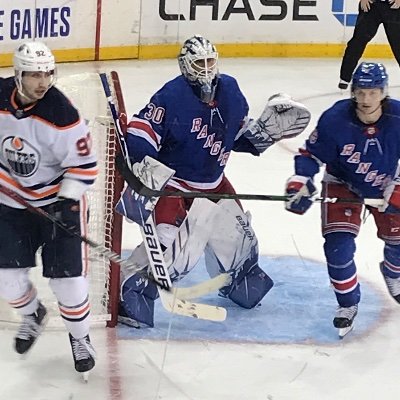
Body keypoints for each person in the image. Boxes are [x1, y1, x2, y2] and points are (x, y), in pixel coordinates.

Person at [117, 34, 311, 328]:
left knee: (242, 244)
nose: (206, 68)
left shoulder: (230, 90)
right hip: (176, 187)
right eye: (199, 62)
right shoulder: (171, 97)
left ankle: (236, 282)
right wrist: (143, 168)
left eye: (210, 61)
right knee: (172, 251)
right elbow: (140, 133)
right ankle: (130, 290)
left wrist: (265, 134)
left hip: (215, 185)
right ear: (186, 66)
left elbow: (237, 136)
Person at [0, 41, 97, 377]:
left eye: (47, 74)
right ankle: (32, 315)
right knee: (5, 278)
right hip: (11, 201)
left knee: (67, 282)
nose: (42, 82)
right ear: (17, 75)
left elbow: (85, 167)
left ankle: (80, 338)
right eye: (34, 75)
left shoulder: (62, 114)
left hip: (58, 202)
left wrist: (66, 201)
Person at [285, 62, 400, 338]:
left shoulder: (398, 117)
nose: (365, 100)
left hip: (387, 182)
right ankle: (347, 304)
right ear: (353, 92)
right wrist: (301, 180)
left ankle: (394, 273)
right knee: (338, 247)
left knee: (398, 240)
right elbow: (311, 154)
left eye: (372, 92)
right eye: (360, 92)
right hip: (342, 183)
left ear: (383, 92)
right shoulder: (335, 119)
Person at [338, 0, 400, 89]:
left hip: (394, 6)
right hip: (371, 5)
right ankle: (344, 78)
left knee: (398, 44)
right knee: (357, 42)